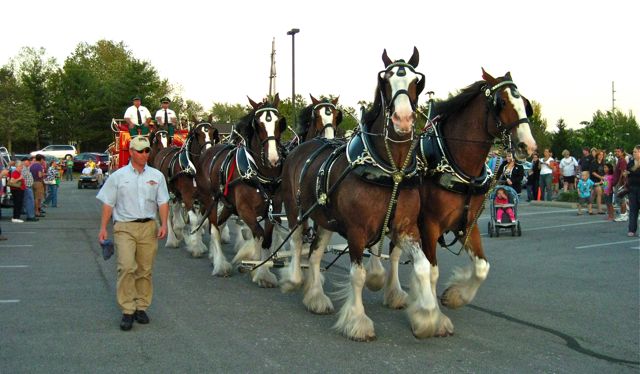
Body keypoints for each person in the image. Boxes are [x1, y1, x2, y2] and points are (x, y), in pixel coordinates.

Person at [97, 136, 169, 331]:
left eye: (147, 150)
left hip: (148, 227)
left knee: (145, 270)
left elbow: (163, 201)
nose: (145, 154)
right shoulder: (118, 176)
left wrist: (164, 224)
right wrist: (103, 227)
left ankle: (141, 306)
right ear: (131, 152)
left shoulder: (157, 176)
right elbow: (108, 203)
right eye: (140, 151)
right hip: (124, 227)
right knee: (126, 267)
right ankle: (127, 310)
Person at [624, 145, 639, 237]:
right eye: (633, 152)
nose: (633, 153)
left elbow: (634, 172)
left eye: (635, 151)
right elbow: (628, 172)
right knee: (633, 210)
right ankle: (632, 230)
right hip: (632, 188)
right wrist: (626, 174)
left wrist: (632, 171)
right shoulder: (630, 162)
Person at [613, 147, 629, 222]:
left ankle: (624, 215)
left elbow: (623, 173)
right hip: (618, 183)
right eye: (616, 151)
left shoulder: (622, 161)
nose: (616, 153)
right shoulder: (619, 160)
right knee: (621, 200)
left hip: (621, 184)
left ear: (622, 153)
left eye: (618, 151)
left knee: (622, 200)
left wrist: (619, 184)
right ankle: (623, 214)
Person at [21, 157, 38, 221]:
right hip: (27, 187)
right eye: (28, 161)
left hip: (28, 186)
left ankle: (31, 215)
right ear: (25, 161)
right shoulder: (23, 168)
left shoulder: (26, 168)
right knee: (29, 202)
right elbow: (22, 177)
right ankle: (30, 216)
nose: (29, 163)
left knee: (30, 202)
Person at [590, 150, 606, 214]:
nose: (601, 156)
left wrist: (605, 178)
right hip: (595, 180)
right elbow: (593, 172)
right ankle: (599, 209)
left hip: (603, 180)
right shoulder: (594, 162)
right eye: (600, 155)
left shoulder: (603, 162)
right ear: (597, 155)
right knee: (599, 193)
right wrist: (601, 177)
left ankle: (589, 207)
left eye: (602, 155)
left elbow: (605, 171)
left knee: (594, 194)